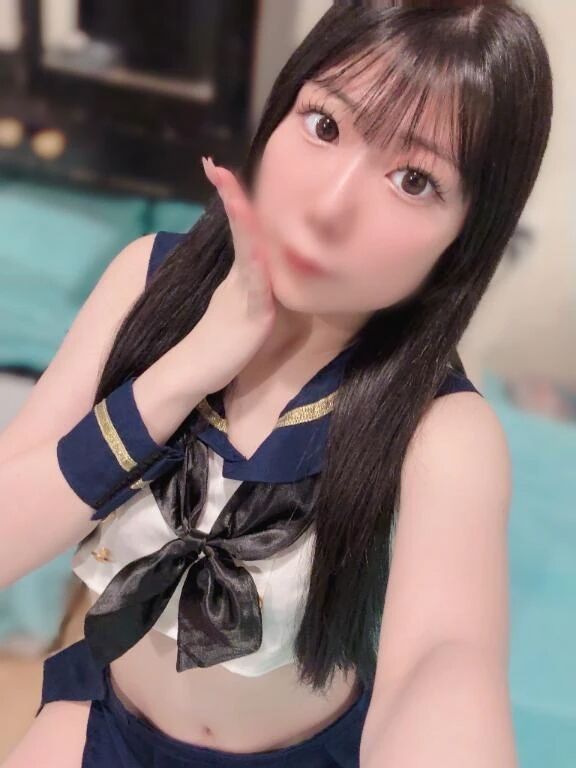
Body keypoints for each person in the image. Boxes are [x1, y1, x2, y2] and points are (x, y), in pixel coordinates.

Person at [0, 1, 552, 766]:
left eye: (414, 179)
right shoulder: (145, 283)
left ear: (469, 234)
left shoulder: (443, 432)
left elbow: (445, 659)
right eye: (324, 124)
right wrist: (185, 368)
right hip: (108, 718)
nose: (329, 206)